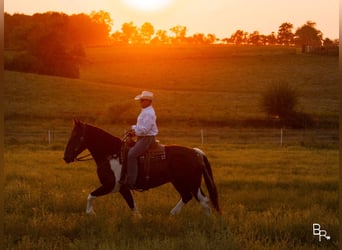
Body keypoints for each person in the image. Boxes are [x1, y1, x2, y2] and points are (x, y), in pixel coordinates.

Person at [123, 90, 158, 189]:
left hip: (146, 139)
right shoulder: (145, 111)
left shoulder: (149, 113)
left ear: (148, 101)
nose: (140, 102)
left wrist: (134, 132)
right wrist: (133, 128)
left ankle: (131, 182)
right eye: (140, 100)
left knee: (131, 155)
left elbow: (145, 129)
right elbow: (141, 126)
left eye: (142, 100)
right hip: (143, 137)